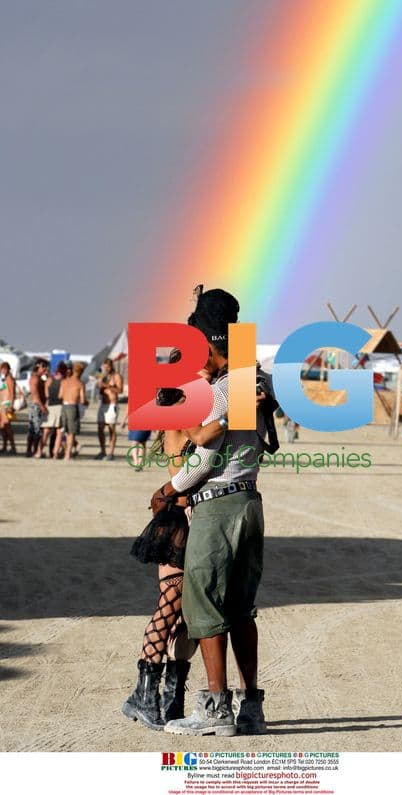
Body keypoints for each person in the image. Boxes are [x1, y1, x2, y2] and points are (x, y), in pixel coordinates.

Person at [161, 288, 273, 737]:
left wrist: (168, 489)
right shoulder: (255, 381)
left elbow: (205, 458)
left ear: (210, 344)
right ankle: (251, 707)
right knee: (242, 610)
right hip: (251, 502)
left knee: (205, 606)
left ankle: (216, 710)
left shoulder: (225, 390)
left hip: (218, 505)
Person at [122, 358, 231, 731]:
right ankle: (142, 694)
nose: (207, 379)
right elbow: (202, 443)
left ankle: (172, 698)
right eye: (200, 375)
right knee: (170, 607)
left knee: (186, 617)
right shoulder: (182, 410)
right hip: (178, 520)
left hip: (192, 517)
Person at [95, 358, 123, 461]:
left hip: (112, 405)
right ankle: (102, 451)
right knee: (100, 428)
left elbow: (120, 390)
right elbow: (100, 389)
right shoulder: (103, 376)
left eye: (107, 367)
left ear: (111, 366)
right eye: (104, 367)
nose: (106, 369)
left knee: (111, 428)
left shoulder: (117, 376)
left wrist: (107, 385)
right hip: (103, 404)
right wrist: (100, 386)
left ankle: (111, 453)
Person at [39, 361, 67, 459]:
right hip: (60, 406)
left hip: (50, 406)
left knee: (46, 431)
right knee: (59, 432)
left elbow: (46, 395)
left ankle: (39, 452)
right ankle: (55, 454)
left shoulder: (49, 379)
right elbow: (63, 395)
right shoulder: (64, 380)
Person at [59, 362, 87, 461]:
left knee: (64, 431)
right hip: (73, 407)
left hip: (64, 406)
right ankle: (68, 455)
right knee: (72, 433)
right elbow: (83, 400)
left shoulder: (64, 382)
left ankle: (64, 452)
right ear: (80, 372)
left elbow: (60, 396)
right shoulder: (80, 383)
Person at [26, 360, 49, 457]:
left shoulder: (38, 378)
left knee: (33, 430)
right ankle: (34, 451)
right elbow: (35, 394)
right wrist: (42, 406)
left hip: (35, 405)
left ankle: (30, 451)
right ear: (38, 367)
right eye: (43, 367)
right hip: (36, 406)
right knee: (36, 430)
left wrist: (46, 377)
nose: (45, 369)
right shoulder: (35, 378)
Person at [0, 361, 17, 455]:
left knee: (7, 427)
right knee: (3, 427)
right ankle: (5, 446)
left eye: (3, 369)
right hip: (3, 404)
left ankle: (13, 447)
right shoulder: (4, 378)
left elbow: (12, 393)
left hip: (6, 405)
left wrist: (10, 405)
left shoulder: (9, 378)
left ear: (7, 369)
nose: (2, 371)